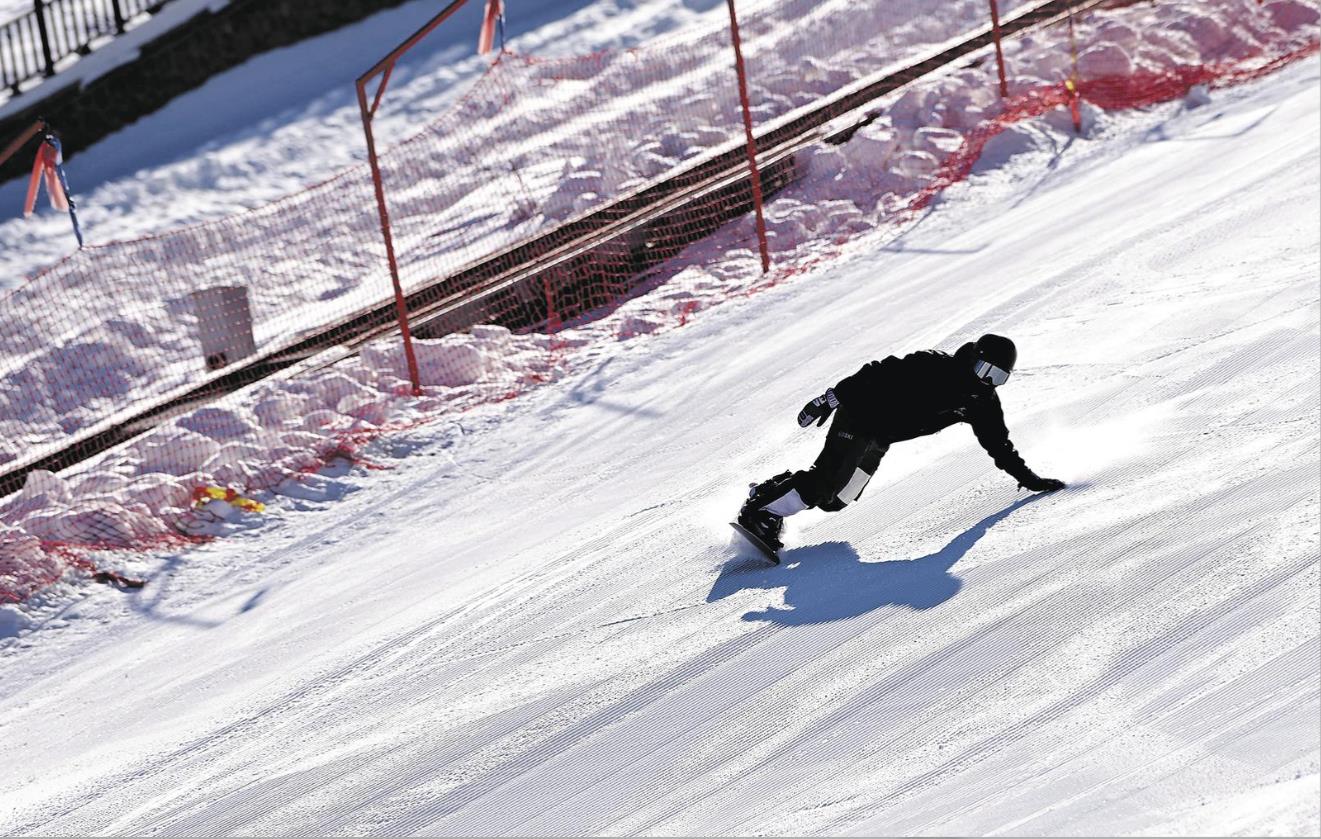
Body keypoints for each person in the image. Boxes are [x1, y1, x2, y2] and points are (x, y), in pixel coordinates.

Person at [737, 334, 1065, 550]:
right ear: (972, 359)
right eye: (984, 369)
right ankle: (761, 512)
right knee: (826, 483)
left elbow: (999, 446)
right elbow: (876, 372)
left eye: (998, 377)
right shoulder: (934, 366)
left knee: (837, 500)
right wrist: (831, 398)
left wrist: (1030, 479)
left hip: (880, 438)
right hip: (859, 415)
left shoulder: (982, 403)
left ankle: (771, 490)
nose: (987, 380)